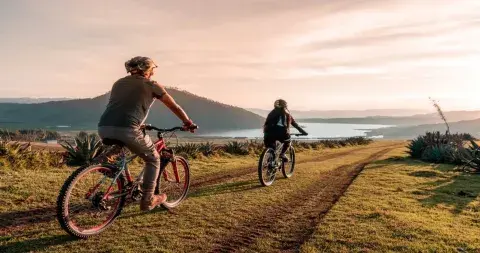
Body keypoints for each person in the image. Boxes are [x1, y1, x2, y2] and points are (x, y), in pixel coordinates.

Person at [97, 56, 197, 211]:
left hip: (104, 127)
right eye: (152, 69)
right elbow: (174, 106)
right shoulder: (152, 85)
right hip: (128, 129)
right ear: (146, 69)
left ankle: (115, 172)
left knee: (122, 149)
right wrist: (188, 122)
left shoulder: (118, 83)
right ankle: (148, 199)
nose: (153, 73)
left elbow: (123, 105)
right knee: (153, 159)